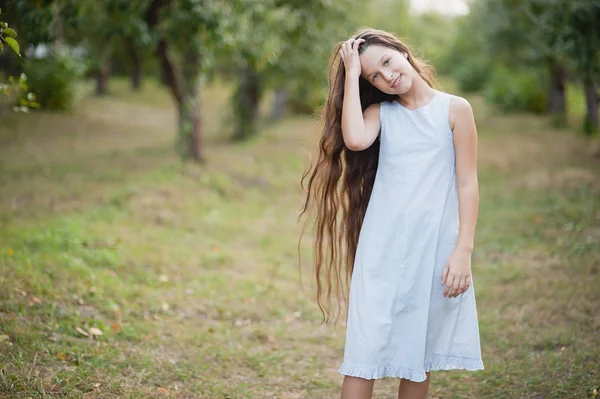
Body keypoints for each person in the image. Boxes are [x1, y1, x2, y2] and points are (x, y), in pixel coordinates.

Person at [299, 28, 484, 399]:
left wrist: (463, 251)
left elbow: (467, 183)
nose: (387, 76)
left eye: (387, 61)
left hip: (434, 247)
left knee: (419, 350)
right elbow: (354, 139)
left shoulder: (455, 109)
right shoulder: (379, 112)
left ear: (402, 50)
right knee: (365, 348)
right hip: (381, 248)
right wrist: (351, 74)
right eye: (374, 77)